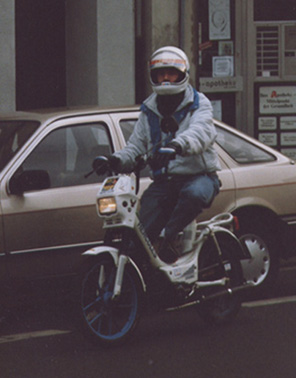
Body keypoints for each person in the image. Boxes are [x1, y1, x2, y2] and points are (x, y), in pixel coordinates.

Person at [108, 46, 221, 263]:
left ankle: (168, 238)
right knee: (139, 234)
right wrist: (117, 159)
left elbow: (201, 131)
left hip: (200, 176)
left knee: (194, 194)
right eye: (161, 73)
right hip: (164, 183)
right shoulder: (149, 110)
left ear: (182, 74)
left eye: (171, 72)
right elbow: (135, 145)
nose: (166, 78)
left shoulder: (199, 103)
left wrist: (177, 146)